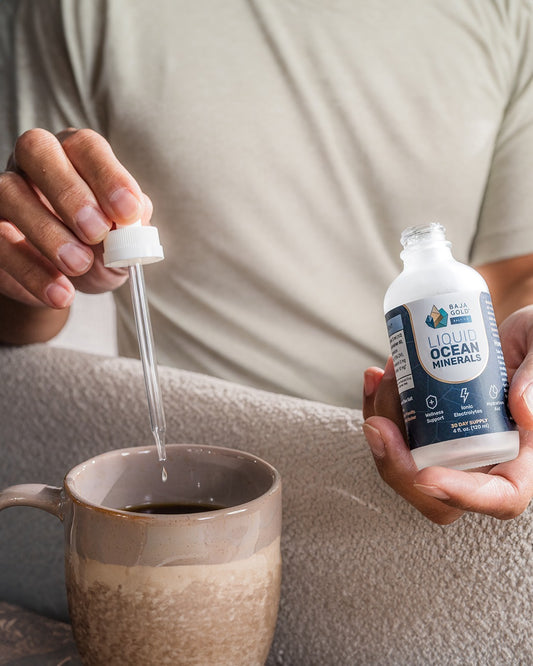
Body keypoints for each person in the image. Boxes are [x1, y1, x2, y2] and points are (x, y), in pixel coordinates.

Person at [1, 0, 532, 524]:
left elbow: (509, 289)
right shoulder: (77, 12)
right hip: (201, 481)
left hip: (425, 449)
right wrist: (37, 261)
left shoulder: (509, 16)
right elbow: (18, 321)